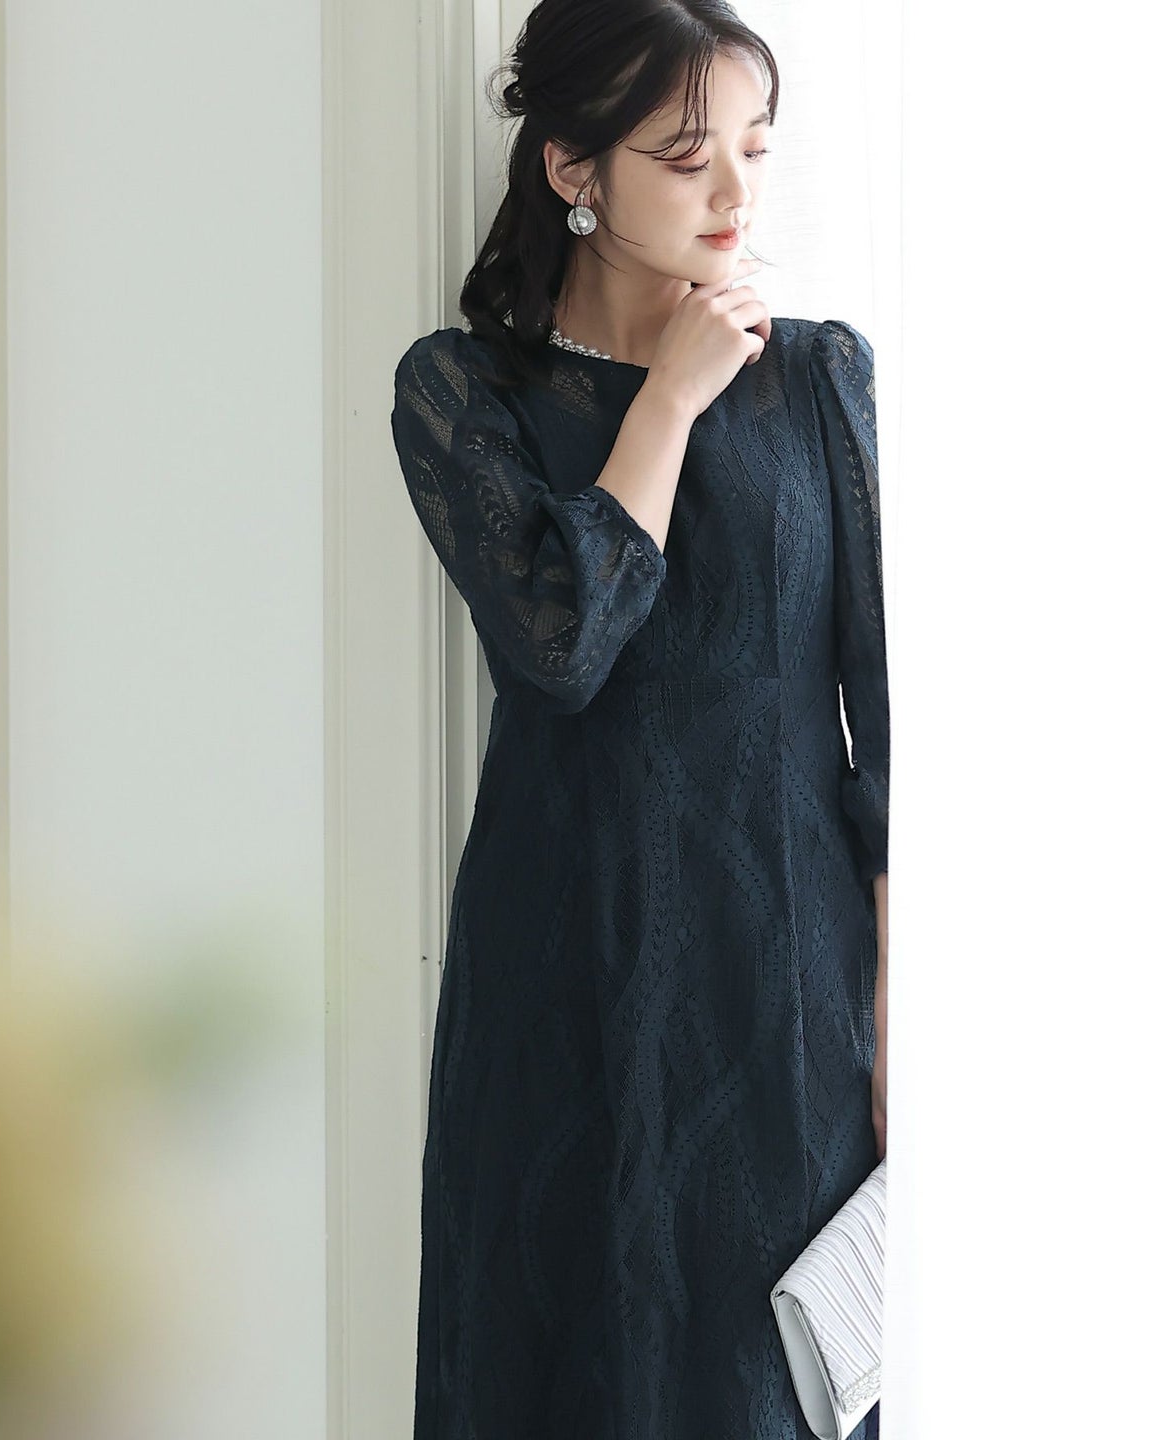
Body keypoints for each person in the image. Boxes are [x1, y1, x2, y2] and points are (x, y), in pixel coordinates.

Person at [388, 2, 889, 1436]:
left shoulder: (820, 377)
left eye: (755, 149)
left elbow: (887, 724)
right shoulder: (462, 391)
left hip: (784, 986)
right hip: (560, 974)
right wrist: (668, 399)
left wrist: (901, 1019)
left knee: (766, 1387)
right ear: (573, 170)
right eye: (685, 156)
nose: (735, 192)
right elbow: (564, 646)